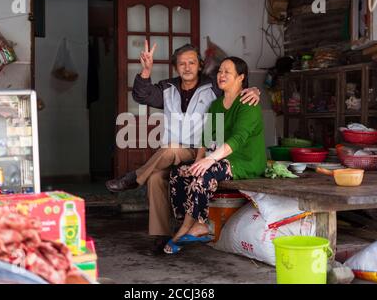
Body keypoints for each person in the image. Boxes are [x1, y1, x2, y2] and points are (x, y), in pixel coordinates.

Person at [105, 42, 261, 253]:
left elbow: (234, 87)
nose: (187, 67)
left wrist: (253, 89)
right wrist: (146, 70)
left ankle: (134, 177)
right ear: (175, 67)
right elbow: (141, 95)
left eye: (192, 62)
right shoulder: (167, 88)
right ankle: (162, 236)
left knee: (170, 149)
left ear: (200, 65)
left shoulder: (213, 87)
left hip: (199, 151)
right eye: (181, 63)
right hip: (177, 154)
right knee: (155, 178)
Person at [164, 56, 267, 254]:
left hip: (245, 161)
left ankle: (199, 225)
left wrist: (209, 160)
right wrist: (197, 162)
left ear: (241, 77)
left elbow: (237, 140)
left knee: (205, 172)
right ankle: (185, 225)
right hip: (223, 158)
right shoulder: (217, 105)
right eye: (220, 71)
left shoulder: (248, 103)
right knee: (179, 172)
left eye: (227, 72)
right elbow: (206, 138)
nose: (221, 75)